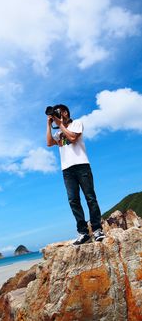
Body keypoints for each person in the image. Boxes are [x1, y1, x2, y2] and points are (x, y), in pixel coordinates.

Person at [46, 104, 105, 245]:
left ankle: (97, 229)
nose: (56, 116)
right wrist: (49, 125)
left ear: (65, 112)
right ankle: (83, 232)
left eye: (58, 112)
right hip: (67, 170)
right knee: (73, 200)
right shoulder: (58, 132)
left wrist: (60, 125)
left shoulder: (77, 124)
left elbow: (72, 138)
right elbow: (49, 143)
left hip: (81, 165)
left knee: (90, 197)